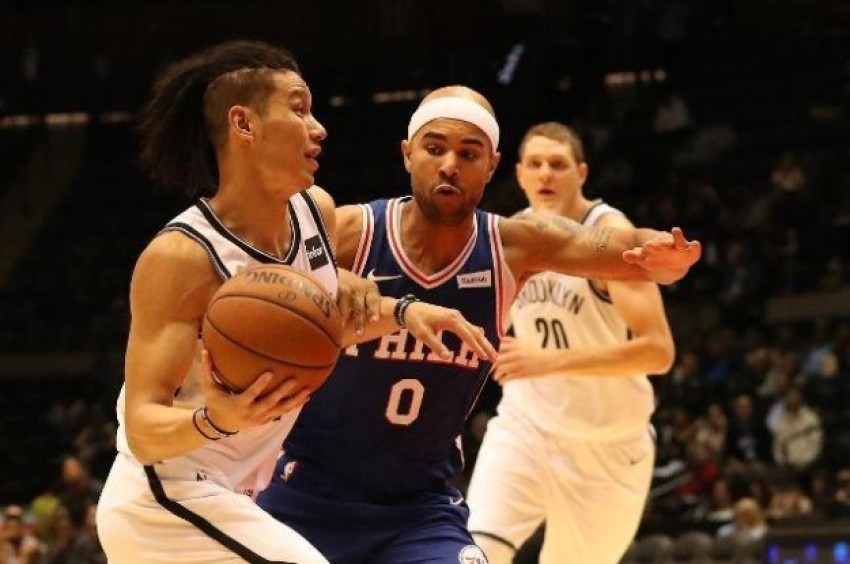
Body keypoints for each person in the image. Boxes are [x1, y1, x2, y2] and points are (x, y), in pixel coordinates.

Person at [257, 88, 701, 563]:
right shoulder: (351, 233)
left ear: (490, 166)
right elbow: (251, 275)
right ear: (407, 154)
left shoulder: (514, 244)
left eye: (468, 153)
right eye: (434, 148)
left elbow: (618, 247)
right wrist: (327, 279)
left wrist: (660, 255)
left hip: (419, 508)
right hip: (308, 492)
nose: (450, 164)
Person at [95, 42, 496, 564]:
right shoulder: (182, 257)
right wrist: (215, 420)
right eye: (299, 108)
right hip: (166, 500)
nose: (319, 128)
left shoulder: (314, 213)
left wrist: (403, 312)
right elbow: (144, 431)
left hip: (238, 495)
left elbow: (321, 327)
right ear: (244, 124)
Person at [463, 121, 675, 564]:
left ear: (581, 174)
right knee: (471, 554)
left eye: (557, 165)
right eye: (535, 164)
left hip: (608, 443)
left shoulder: (611, 236)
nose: (545, 175)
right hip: (527, 426)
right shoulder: (512, 235)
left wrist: (548, 361)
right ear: (518, 173)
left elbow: (658, 352)